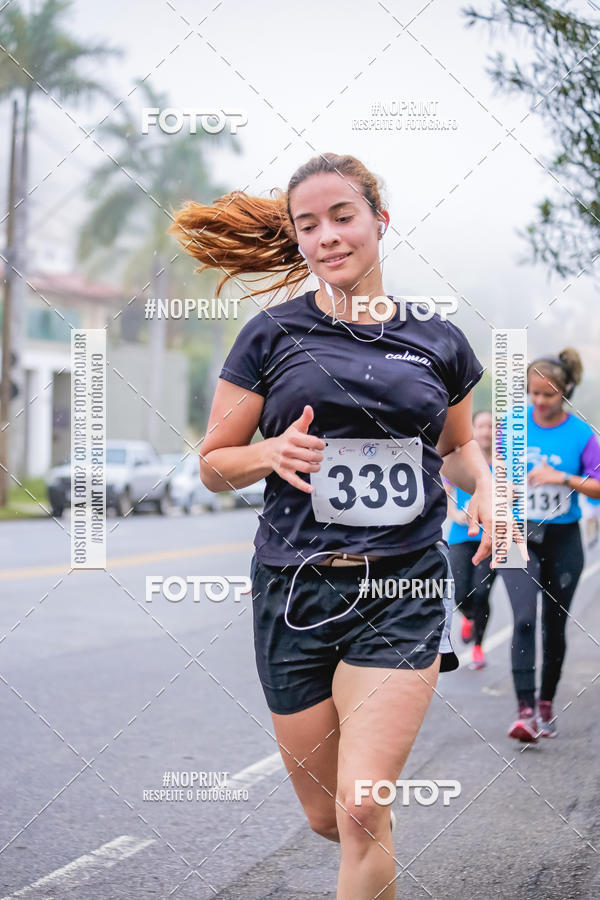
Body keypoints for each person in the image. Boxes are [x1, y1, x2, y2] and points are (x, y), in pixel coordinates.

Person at [168, 152, 494, 899]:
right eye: (308, 225)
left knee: (359, 807)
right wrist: (268, 453)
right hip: (293, 591)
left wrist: (488, 489)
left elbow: (457, 448)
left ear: (380, 221)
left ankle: (367, 830)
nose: (327, 237)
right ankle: (368, 844)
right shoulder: (269, 335)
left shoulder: (439, 340)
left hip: (403, 588)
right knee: (327, 818)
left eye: (342, 217)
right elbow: (213, 463)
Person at [500, 349, 600, 743]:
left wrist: (562, 478)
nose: (539, 401)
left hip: (562, 537)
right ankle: (524, 711)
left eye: (548, 394)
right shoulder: (512, 425)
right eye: (534, 393)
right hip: (516, 532)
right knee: (524, 618)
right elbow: (492, 471)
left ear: (566, 391)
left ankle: (545, 703)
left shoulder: (581, 434)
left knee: (554, 625)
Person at [444, 410, 496, 670]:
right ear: (472, 430)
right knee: (462, 593)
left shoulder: (505, 463)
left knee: (482, 591)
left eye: (491, 426)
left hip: (492, 538)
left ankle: (478, 646)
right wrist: (457, 515)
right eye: (481, 426)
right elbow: (445, 495)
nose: (486, 431)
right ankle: (467, 616)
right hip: (461, 536)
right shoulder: (460, 460)